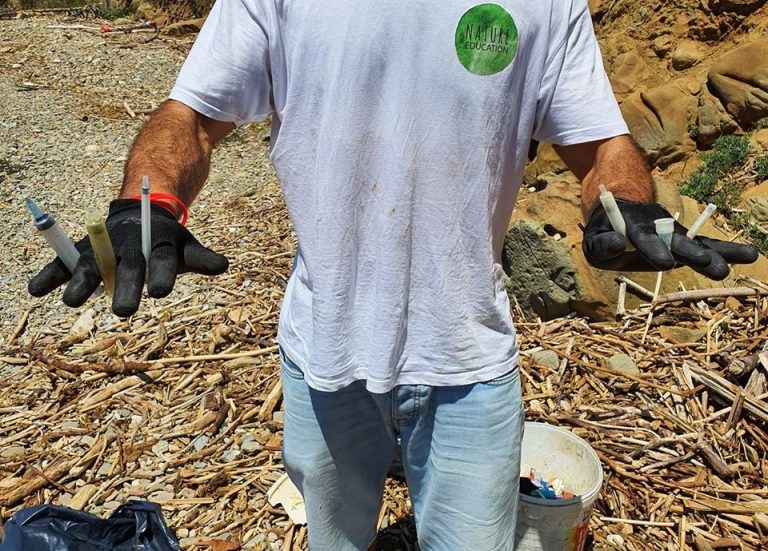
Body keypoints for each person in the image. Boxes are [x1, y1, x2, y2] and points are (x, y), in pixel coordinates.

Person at [29, 1, 758, 549]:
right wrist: (150, 196)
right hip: (324, 352)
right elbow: (191, 116)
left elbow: (600, 141)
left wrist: (625, 201)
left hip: (469, 360)